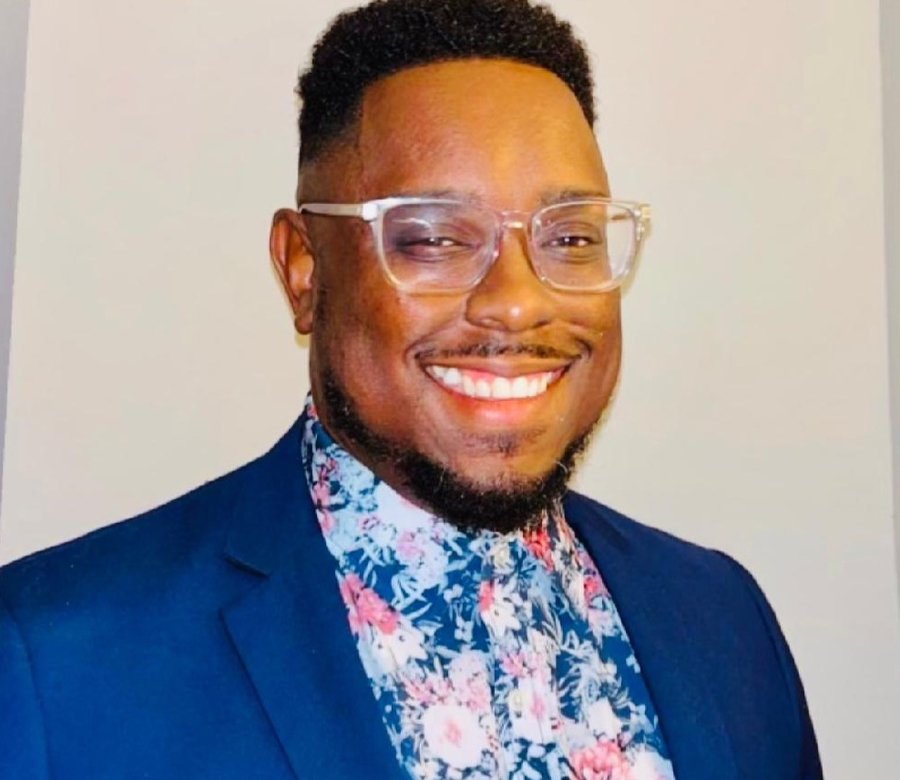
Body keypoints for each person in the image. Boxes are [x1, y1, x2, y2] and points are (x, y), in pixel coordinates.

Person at [0, 0, 822, 777]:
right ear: (304, 269)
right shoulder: (55, 661)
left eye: (570, 238)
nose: (517, 301)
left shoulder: (723, 621)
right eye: (433, 238)